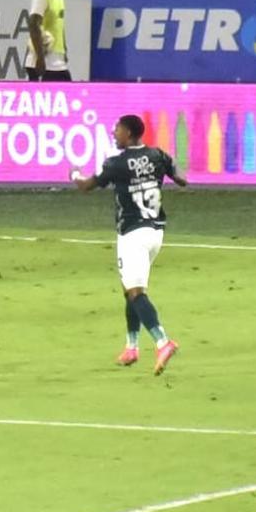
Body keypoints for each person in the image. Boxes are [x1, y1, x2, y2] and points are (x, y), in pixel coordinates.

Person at [70, 114, 185, 375]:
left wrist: (74, 173)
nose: (114, 133)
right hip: (156, 233)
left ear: (130, 134)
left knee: (136, 292)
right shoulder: (157, 155)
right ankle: (131, 347)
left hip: (132, 234)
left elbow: (86, 185)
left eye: (118, 129)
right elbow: (182, 178)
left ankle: (162, 342)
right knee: (129, 288)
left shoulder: (116, 163)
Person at [26, 0, 71, 82]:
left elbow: (59, 26)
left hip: (58, 60)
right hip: (44, 60)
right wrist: (40, 58)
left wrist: (64, 50)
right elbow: (33, 24)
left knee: (69, 94)